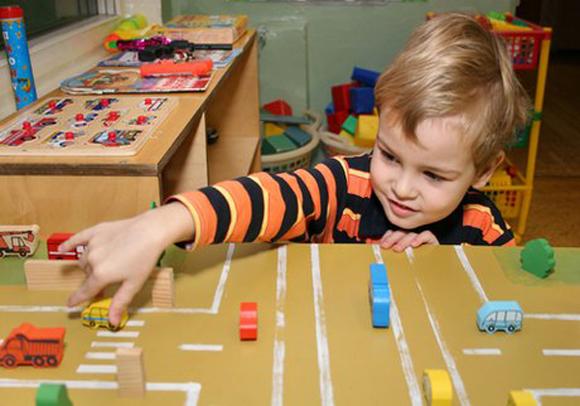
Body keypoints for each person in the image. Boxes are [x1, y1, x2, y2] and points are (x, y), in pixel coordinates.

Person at [59, 13, 530, 326]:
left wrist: (452, 263)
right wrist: (160, 224)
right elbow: (268, 195)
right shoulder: (342, 182)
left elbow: (515, 302)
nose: (402, 188)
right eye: (389, 155)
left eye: (433, 176)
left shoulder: (481, 228)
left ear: (484, 171)